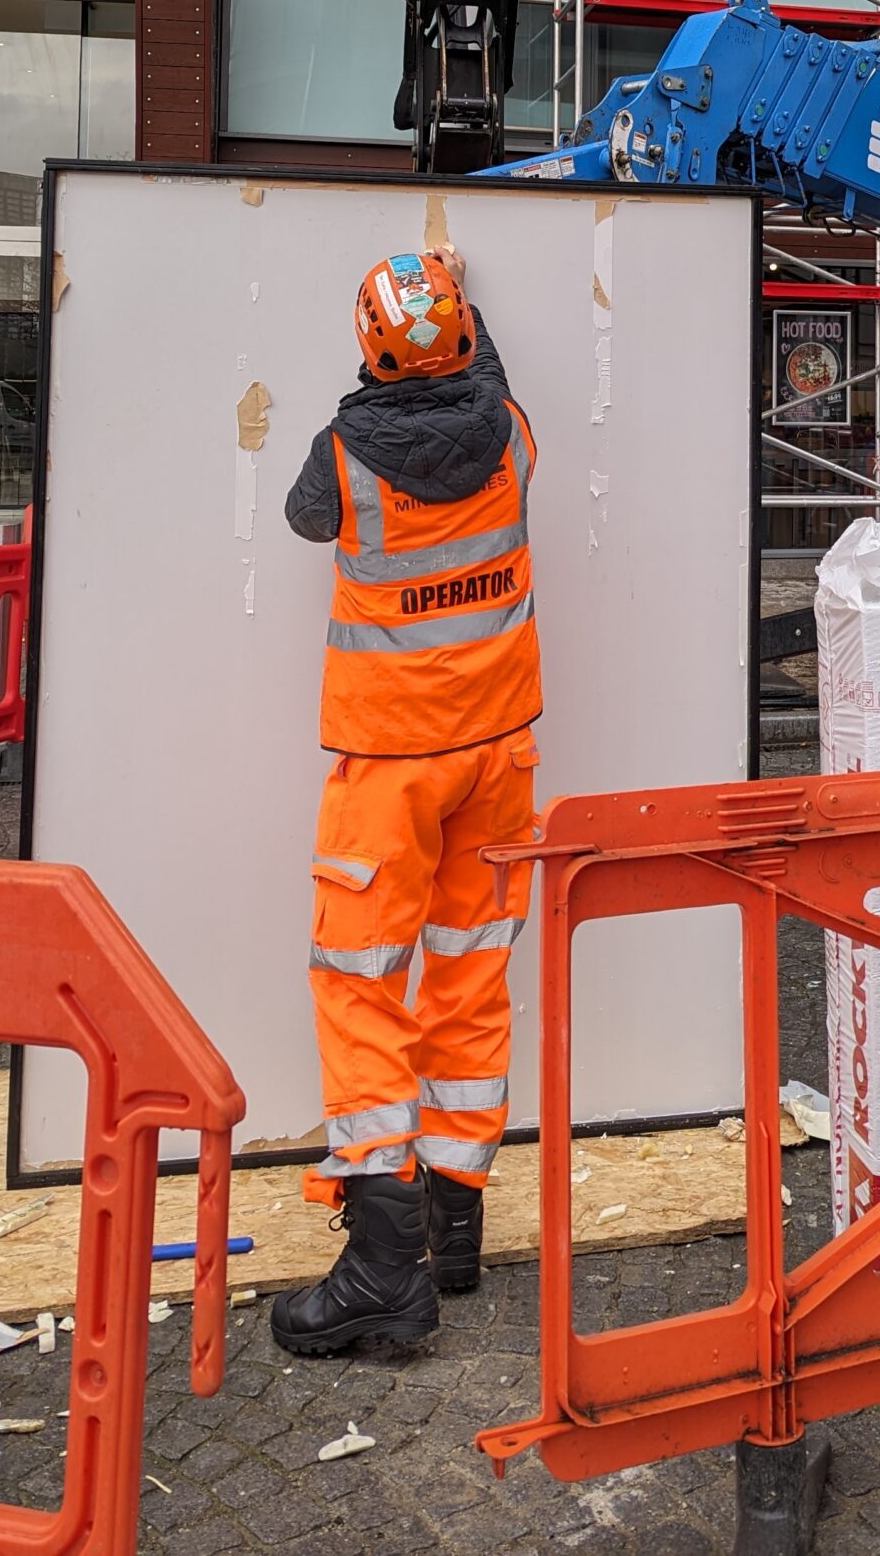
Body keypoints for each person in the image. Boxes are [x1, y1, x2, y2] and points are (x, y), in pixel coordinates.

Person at [271, 246, 542, 1357]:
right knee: (470, 977)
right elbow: (486, 379)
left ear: (365, 345)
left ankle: (384, 1266)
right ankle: (453, 1221)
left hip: (390, 764)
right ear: (467, 337)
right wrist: (459, 304)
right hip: (499, 755)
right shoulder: (513, 435)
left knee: (359, 985)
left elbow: (301, 519)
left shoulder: (339, 460)